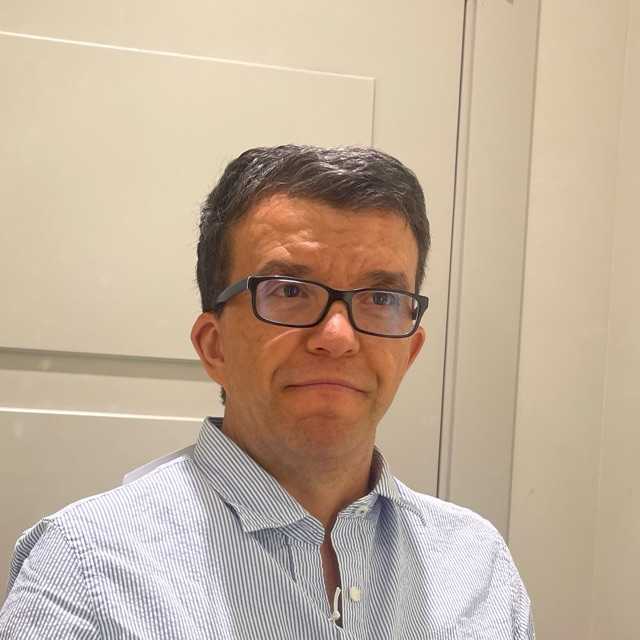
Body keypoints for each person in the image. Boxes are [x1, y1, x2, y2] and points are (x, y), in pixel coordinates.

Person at [0, 145, 535, 638]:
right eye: (290, 290)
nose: (338, 336)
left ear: (409, 352)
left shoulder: (477, 566)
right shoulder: (86, 571)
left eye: (380, 298)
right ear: (215, 347)